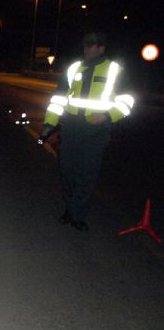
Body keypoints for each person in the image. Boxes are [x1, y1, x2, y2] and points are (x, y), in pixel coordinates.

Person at [40, 32, 135, 231]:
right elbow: (59, 98)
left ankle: (77, 215)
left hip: (96, 131)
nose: (86, 49)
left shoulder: (114, 70)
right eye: (85, 45)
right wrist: (49, 125)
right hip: (72, 128)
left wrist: (107, 116)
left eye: (91, 45)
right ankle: (70, 207)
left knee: (86, 175)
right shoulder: (75, 68)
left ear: (101, 48)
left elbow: (127, 101)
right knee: (67, 172)